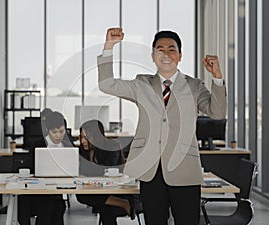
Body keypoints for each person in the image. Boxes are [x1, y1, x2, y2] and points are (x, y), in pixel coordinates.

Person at [97, 28, 227, 225]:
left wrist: (217, 77)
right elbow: (107, 85)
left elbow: (217, 112)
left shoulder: (194, 86)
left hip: (184, 169)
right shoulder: (142, 84)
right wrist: (108, 47)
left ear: (180, 56)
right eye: (160, 49)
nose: (165, 54)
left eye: (171, 49)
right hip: (151, 171)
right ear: (153, 56)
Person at [18, 111, 73, 225]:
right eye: (55, 132)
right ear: (48, 130)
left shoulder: (68, 145)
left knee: (55, 205)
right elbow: (29, 168)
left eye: (62, 131)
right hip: (39, 189)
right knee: (48, 205)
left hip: (59, 188)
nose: (58, 135)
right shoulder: (38, 145)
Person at [76, 119, 134, 225]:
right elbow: (82, 170)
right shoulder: (82, 150)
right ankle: (122, 204)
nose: (83, 141)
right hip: (95, 189)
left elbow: (107, 168)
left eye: (86, 137)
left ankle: (123, 202)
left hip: (115, 189)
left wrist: (90, 171)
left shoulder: (112, 146)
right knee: (81, 195)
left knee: (106, 209)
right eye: (81, 137)